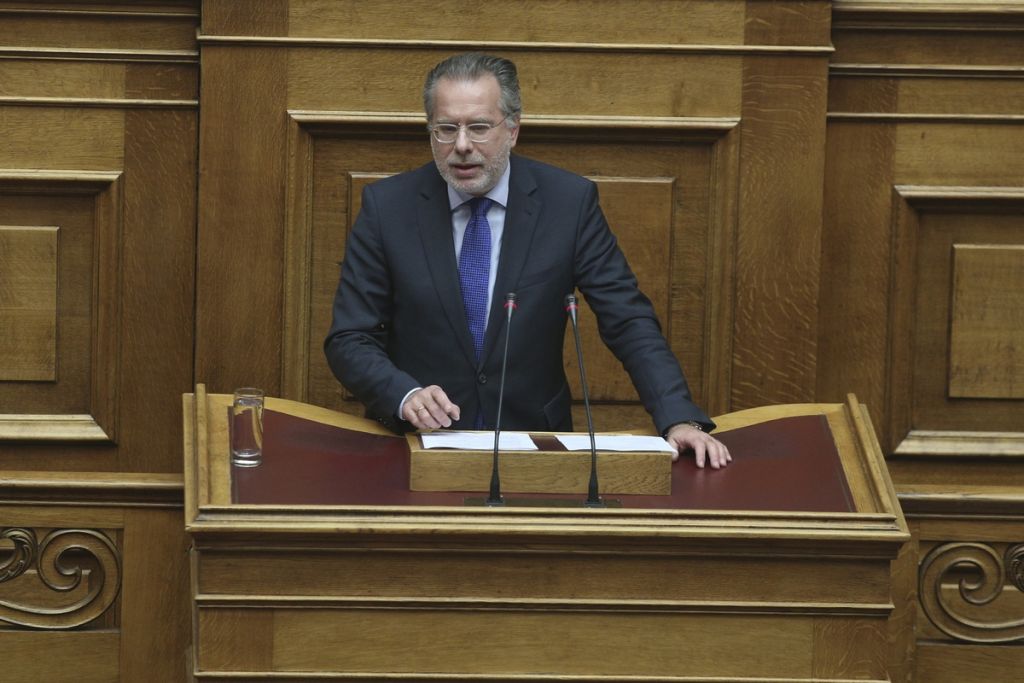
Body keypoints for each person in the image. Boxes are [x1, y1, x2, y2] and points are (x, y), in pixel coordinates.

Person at [325, 53, 731, 469]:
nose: (461, 146)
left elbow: (627, 320)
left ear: (513, 130)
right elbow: (350, 338)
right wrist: (404, 394)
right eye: (446, 129)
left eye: (479, 127)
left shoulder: (568, 204)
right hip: (415, 445)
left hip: (535, 443)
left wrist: (678, 417)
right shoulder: (388, 207)